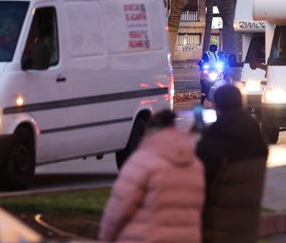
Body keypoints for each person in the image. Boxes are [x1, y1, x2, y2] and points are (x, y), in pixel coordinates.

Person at [98, 110, 205, 243]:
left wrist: (106, 238)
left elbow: (119, 209)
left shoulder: (142, 162)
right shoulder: (195, 165)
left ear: (150, 130)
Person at [196, 85, 268, 243]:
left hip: (218, 226)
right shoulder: (256, 138)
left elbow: (201, 183)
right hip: (247, 225)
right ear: (242, 104)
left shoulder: (215, 140)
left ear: (216, 105)